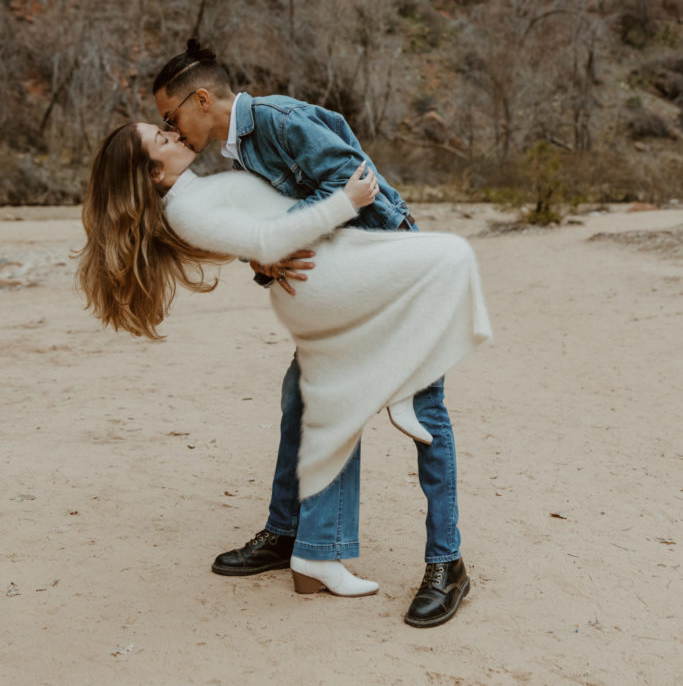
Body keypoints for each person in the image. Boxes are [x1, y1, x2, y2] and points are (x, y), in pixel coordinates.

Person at [78, 119, 491, 624]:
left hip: (368, 271)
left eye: (168, 126)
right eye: (162, 138)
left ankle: (435, 561)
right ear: (153, 172)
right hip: (354, 281)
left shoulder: (246, 143)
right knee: (321, 403)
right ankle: (308, 539)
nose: (176, 135)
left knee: (352, 405)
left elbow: (286, 195)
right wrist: (325, 215)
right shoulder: (199, 189)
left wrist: (269, 253)